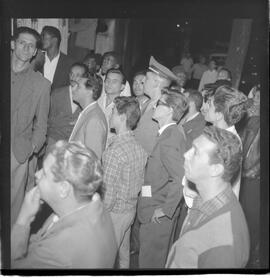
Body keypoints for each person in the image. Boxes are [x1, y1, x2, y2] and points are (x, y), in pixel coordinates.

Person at [11, 140, 117, 268]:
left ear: (63, 189)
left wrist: (23, 219)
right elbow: (42, 239)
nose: (36, 174)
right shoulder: (95, 204)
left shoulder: (58, 251)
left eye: (44, 173)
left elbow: (11, 266)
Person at [166, 126, 250, 268]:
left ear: (215, 169)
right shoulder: (204, 199)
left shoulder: (223, 243)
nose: (186, 154)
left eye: (195, 152)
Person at [137, 88, 188, 268]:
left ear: (169, 110)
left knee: (150, 263)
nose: (155, 105)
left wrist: (165, 209)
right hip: (154, 207)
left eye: (160, 103)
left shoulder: (169, 138)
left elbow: (180, 177)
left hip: (156, 213)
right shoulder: (169, 133)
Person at [11, 27, 51, 226]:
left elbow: (42, 124)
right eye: (22, 43)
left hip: (17, 155)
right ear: (12, 44)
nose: (26, 48)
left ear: (35, 52)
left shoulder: (41, 84)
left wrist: (31, 148)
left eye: (31, 45)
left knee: (13, 210)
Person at [102, 96, 147, 268]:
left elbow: (108, 194)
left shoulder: (114, 152)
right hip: (130, 210)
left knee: (104, 258)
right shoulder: (138, 146)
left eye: (113, 112)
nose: (110, 115)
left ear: (122, 117)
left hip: (114, 214)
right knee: (123, 254)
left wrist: (99, 217)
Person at [203, 86, 247, 199]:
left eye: (210, 104)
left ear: (219, 115)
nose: (205, 107)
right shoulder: (216, 134)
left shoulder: (228, 143)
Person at [134, 56, 178, 155]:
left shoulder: (164, 110)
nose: (143, 81)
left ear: (156, 83)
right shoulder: (147, 102)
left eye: (147, 79)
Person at [45, 62, 89, 156]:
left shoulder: (87, 95)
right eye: (71, 74)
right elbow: (48, 120)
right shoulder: (57, 94)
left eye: (78, 75)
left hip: (76, 144)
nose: (73, 77)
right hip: (55, 141)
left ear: (85, 78)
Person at [238, 86, 260, 268]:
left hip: (252, 180)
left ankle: (249, 261)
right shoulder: (252, 121)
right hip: (253, 181)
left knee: (249, 224)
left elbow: (246, 158)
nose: (253, 101)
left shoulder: (254, 122)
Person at [69, 74, 108, 160]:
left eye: (78, 86)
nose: (72, 88)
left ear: (90, 91)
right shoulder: (88, 113)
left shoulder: (94, 120)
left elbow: (93, 161)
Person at [41, 25, 74, 90]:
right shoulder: (36, 59)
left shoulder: (69, 63)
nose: (41, 39)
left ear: (55, 40)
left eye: (43, 36)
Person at [98, 68, 127, 141]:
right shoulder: (97, 100)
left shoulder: (122, 107)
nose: (109, 83)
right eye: (107, 80)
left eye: (114, 81)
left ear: (122, 86)